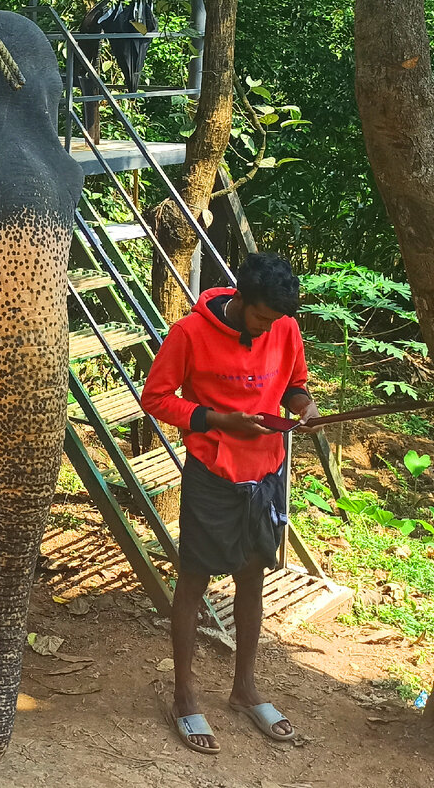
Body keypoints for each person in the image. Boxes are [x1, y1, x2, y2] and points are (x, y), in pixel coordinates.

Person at [140, 253, 324, 755]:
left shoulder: (284, 327)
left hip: (264, 472)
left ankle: (244, 689)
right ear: (240, 299)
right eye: (262, 317)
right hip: (213, 474)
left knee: (252, 577)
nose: (269, 328)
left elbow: (293, 386)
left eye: (277, 320)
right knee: (193, 581)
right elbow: (155, 398)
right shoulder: (189, 334)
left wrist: (304, 407)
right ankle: (184, 696)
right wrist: (219, 420)